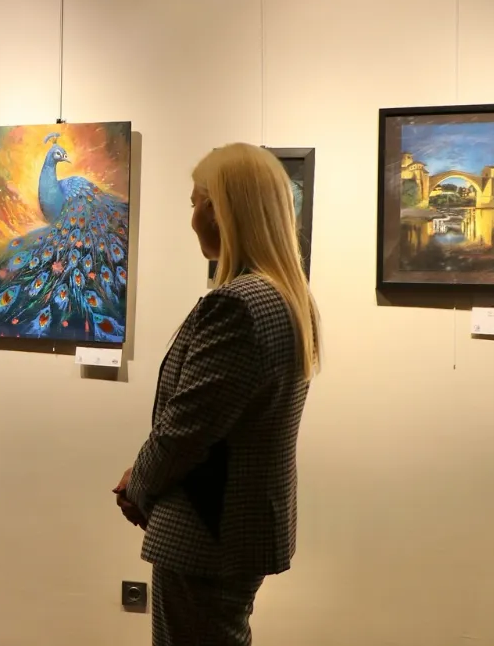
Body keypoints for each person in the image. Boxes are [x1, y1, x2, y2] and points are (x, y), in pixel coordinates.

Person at [113, 143, 322, 646]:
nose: (190, 219)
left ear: (219, 210)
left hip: (207, 531)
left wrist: (138, 485)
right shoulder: (288, 297)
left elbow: (185, 430)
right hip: (239, 526)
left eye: (194, 202)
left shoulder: (236, 304)